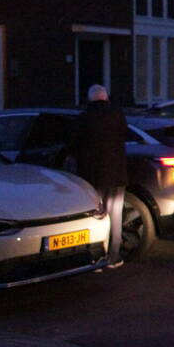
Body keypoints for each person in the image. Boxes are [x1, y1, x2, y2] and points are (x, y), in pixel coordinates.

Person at [68, 84, 129, 268]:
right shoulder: (118, 115)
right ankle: (114, 255)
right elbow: (124, 136)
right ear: (106, 98)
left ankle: (96, 257)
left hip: (93, 176)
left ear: (89, 99)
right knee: (115, 214)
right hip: (117, 175)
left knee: (96, 216)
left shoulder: (83, 118)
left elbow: (72, 145)